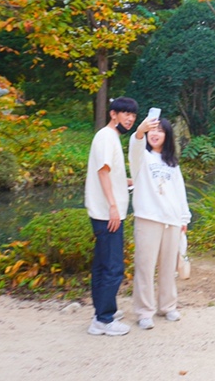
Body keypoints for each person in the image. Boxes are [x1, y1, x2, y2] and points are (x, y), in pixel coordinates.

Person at [129, 116, 191, 330]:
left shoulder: (171, 163)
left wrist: (184, 218)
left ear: (167, 136)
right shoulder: (142, 158)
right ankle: (144, 311)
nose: (155, 134)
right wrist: (139, 131)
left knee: (168, 267)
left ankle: (167, 306)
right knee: (145, 267)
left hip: (171, 221)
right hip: (148, 219)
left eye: (160, 131)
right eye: (151, 131)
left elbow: (180, 192)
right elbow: (135, 147)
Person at [85, 96, 138, 337]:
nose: (129, 118)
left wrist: (132, 181)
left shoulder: (110, 138)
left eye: (133, 115)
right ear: (113, 114)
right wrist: (113, 207)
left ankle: (103, 312)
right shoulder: (106, 137)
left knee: (102, 265)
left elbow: (111, 175)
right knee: (113, 267)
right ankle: (103, 320)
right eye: (125, 113)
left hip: (104, 213)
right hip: (108, 215)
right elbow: (103, 172)